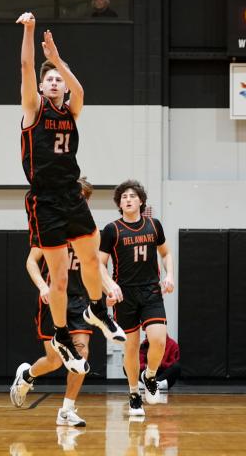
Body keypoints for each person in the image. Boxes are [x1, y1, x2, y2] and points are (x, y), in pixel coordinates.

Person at [17, 11, 125, 376]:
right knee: (59, 277)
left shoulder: (71, 108)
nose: (52, 82)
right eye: (48, 79)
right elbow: (26, 67)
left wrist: (60, 60)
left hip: (71, 195)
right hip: (44, 199)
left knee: (92, 258)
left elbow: (80, 91)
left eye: (57, 79)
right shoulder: (33, 110)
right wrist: (30, 31)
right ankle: (61, 333)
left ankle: (97, 308)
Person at [10, 177, 97, 428]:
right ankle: (27, 376)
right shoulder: (51, 225)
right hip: (55, 300)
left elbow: (95, 267)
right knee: (55, 360)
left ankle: (66, 410)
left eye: (81, 195)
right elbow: (30, 262)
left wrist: (106, 290)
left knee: (81, 353)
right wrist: (42, 286)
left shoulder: (88, 231)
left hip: (80, 301)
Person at [99, 179, 175, 418]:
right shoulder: (112, 229)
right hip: (125, 294)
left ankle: (150, 375)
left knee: (159, 340)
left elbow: (166, 253)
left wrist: (170, 275)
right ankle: (134, 394)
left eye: (132, 196)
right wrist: (109, 286)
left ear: (141, 201)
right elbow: (99, 265)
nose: (128, 199)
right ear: (119, 204)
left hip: (151, 291)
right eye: (123, 197)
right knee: (130, 347)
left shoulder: (154, 225)